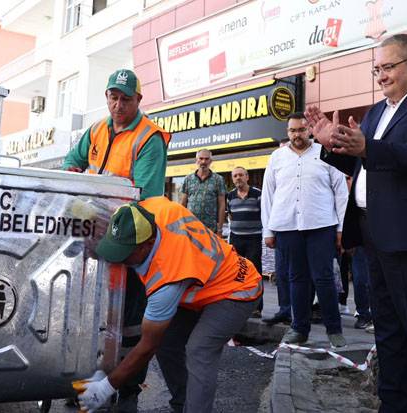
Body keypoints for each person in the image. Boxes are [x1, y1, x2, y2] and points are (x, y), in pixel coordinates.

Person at [305, 33, 407, 412]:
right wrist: (332, 145)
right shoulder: (378, 112)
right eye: (376, 69)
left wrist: (367, 147)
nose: (380, 76)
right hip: (376, 237)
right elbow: (368, 165)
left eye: (388, 67)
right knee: (390, 334)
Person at [72, 197, 262, 413]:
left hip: (238, 290)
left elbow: (146, 347)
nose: (119, 259)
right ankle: (182, 403)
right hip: (205, 281)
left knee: (199, 350)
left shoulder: (166, 279)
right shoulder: (148, 211)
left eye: (126, 254)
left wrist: (105, 387)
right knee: (167, 340)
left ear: (148, 244)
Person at [62, 68, 170, 412]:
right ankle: (82, 379)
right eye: (113, 97)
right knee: (88, 315)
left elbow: (145, 199)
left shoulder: (149, 138)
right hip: (93, 239)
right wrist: (77, 185)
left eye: (125, 99)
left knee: (128, 320)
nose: (118, 104)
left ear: (138, 99)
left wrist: (97, 210)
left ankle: (129, 389)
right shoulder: (96, 130)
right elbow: (71, 164)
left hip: (129, 240)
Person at [261, 112, 348, 348]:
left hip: (321, 226)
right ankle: (299, 329)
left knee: (324, 278)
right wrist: (267, 231)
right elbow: (268, 195)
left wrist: (341, 228)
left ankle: (334, 330)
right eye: (292, 131)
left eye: (300, 130)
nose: (296, 135)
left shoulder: (324, 153)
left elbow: (341, 191)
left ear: (309, 130)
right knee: (296, 279)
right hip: (287, 227)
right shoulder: (277, 157)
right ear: (287, 132)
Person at [226, 166, 264, 317]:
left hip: (254, 237)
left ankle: (256, 308)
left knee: (255, 272)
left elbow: (264, 214)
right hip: (236, 238)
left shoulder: (257, 194)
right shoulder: (230, 196)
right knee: (237, 273)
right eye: (235, 176)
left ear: (247, 177)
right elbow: (230, 216)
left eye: (241, 175)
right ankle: (238, 305)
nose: (238, 178)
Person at [179, 149, 226, 235]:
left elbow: (222, 205)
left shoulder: (218, 179)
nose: (203, 161)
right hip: (191, 227)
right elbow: (183, 204)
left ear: (211, 161)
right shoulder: (188, 179)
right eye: (201, 158)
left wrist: (220, 229)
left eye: (206, 159)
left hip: (211, 229)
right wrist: (182, 225)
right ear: (196, 160)